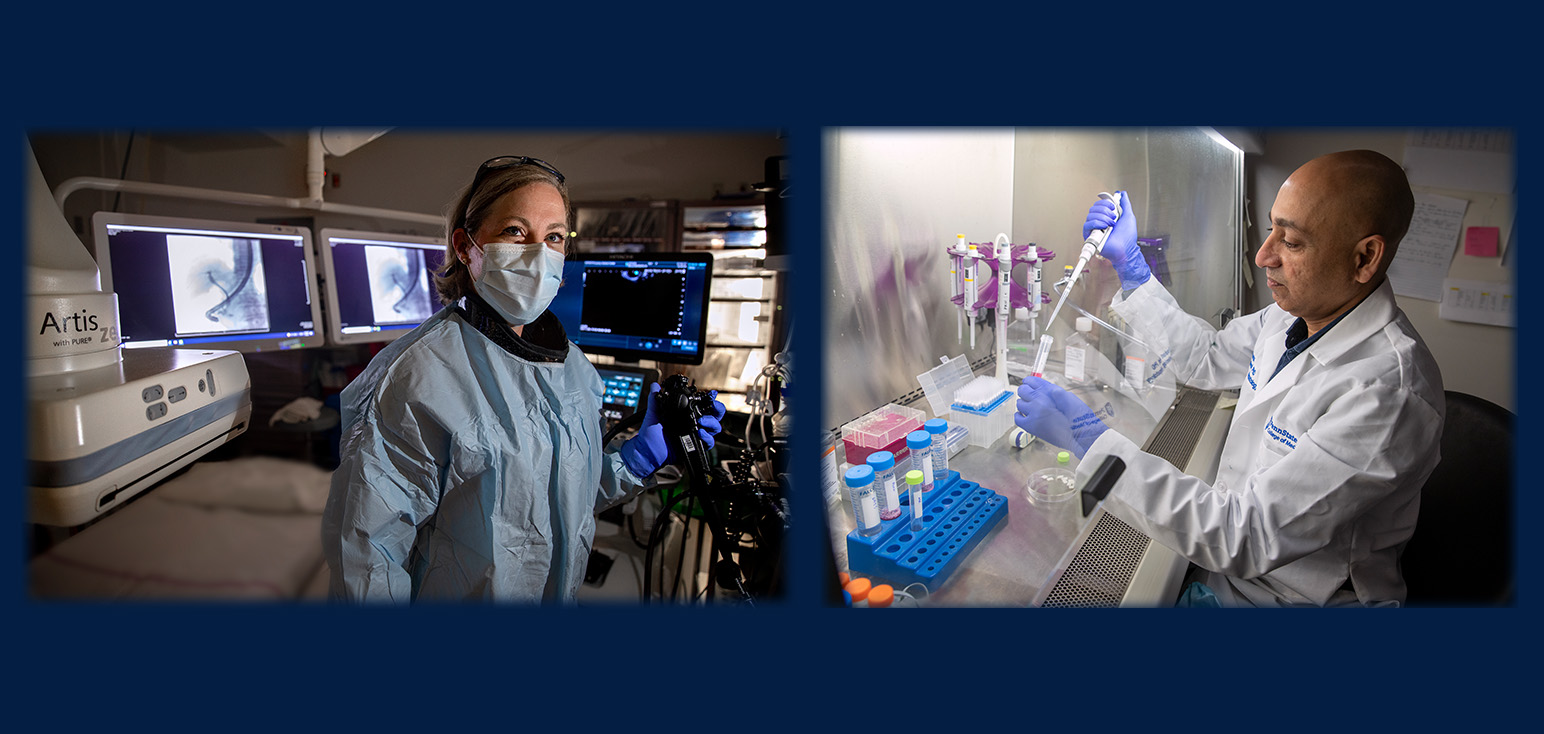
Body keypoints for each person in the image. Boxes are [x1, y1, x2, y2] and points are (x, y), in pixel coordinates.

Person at [1013, 149, 1444, 607]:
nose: (1263, 256)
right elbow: (1206, 358)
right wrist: (1132, 269)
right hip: (1231, 576)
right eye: (1272, 228)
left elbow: (1248, 536)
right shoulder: (1292, 317)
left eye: (1292, 242)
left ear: (1364, 258)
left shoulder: (1387, 393)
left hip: (1292, 600)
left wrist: (1090, 442)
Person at [322, 155, 725, 603]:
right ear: (466, 245)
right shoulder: (417, 378)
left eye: (554, 237)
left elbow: (556, 501)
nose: (538, 254)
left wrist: (635, 461)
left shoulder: (574, 369)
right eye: (516, 231)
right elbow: (366, 556)